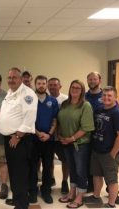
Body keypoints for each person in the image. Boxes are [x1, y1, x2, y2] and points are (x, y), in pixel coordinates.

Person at [0, 67, 38, 209]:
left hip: (19, 140)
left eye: (14, 77)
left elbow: (29, 119)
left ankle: (21, 204)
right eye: (9, 77)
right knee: (14, 172)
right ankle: (17, 199)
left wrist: (17, 136)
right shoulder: (10, 92)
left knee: (20, 173)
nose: (11, 80)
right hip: (9, 139)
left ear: (21, 79)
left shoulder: (28, 94)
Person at [87, 86, 119, 208]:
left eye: (109, 95)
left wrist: (113, 154)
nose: (106, 98)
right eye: (104, 95)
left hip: (110, 152)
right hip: (97, 149)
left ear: (116, 97)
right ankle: (96, 196)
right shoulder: (99, 110)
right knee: (97, 174)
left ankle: (111, 204)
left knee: (111, 179)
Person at [57, 80, 94, 209]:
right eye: (73, 87)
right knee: (72, 169)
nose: (75, 89)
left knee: (80, 170)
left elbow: (86, 128)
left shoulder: (85, 105)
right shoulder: (64, 104)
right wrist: (61, 136)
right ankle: (72, 192)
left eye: (78, 88)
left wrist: (71, 138)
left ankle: (80, 196)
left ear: (82, 90)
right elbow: (60, 121)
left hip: (80, 144)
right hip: (66, 143)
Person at [29, 75, 59, 204]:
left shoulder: (52, 101)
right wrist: (37, 133)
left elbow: (55, 119)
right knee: (33, 166)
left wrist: (49, 134)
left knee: (48, 166)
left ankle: (46, 191)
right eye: (39, 83)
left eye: (43, 83)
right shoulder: (29, 100)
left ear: (46, 85)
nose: (41, 85)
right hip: (33, 139)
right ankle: (33, 191)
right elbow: (28, 119)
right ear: (35, 85)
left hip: (49, 139)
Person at [48, 77, 69, 194]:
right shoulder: (45, 99)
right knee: (48, 159)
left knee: (65, 160)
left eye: (55, 85)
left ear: (60, 86)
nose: (52, 87)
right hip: (49, 137)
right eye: (50, 85)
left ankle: (65, 181)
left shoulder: (66, 99)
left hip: (62, 137)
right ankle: (51, 178)